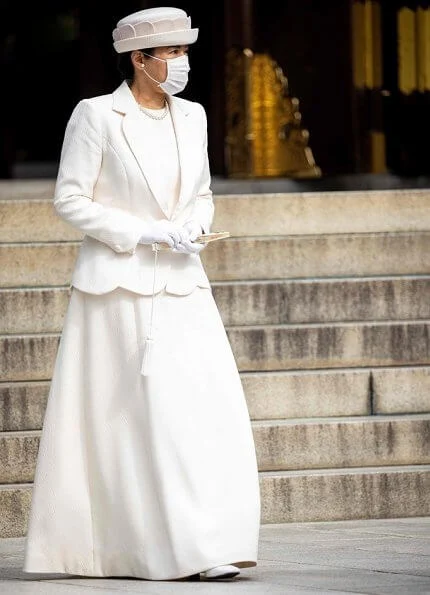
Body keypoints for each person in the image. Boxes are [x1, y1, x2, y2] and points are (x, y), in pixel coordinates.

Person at [22, 6, 261, 582]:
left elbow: (200, 191)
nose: (180, 63)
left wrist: (191, 228)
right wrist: (146, 231)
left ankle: (206, 543)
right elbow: (70, 199)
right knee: (133, 418)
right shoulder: (97, 116)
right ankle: (145, 547)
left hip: (182, 283)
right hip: (118, 287)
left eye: (184, 52)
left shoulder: (196, 117)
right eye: (170, 53)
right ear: (139, 59)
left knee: (200, 410)